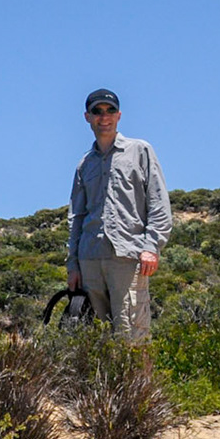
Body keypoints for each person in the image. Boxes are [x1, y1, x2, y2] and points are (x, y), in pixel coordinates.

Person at [66, 87, 172, 341]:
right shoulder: (85, 164)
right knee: (97, 339)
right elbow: (76, 217)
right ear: (87, 117)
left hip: (128, 257)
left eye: (110, 110)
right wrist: (73, 264)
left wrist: (151, 246)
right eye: (97, 111)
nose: (104, 117)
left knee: (131, 335)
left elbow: (158, 203)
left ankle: (138, 371)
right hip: (90, 260)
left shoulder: (140, 151)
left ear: (119, 115)